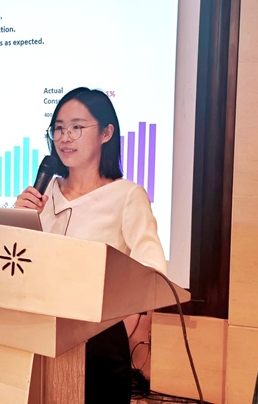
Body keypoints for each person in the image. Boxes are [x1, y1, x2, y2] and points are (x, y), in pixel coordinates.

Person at [15, 86, 166, 404]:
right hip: (37, 333)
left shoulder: (127, 195)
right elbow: (15, 261)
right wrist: (19, 220)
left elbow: (151, 270)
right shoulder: (43, 194)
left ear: (106, 133)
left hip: (97, 343)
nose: (65, 137)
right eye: (58, 128)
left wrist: (126, 326)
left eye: (76, 127)